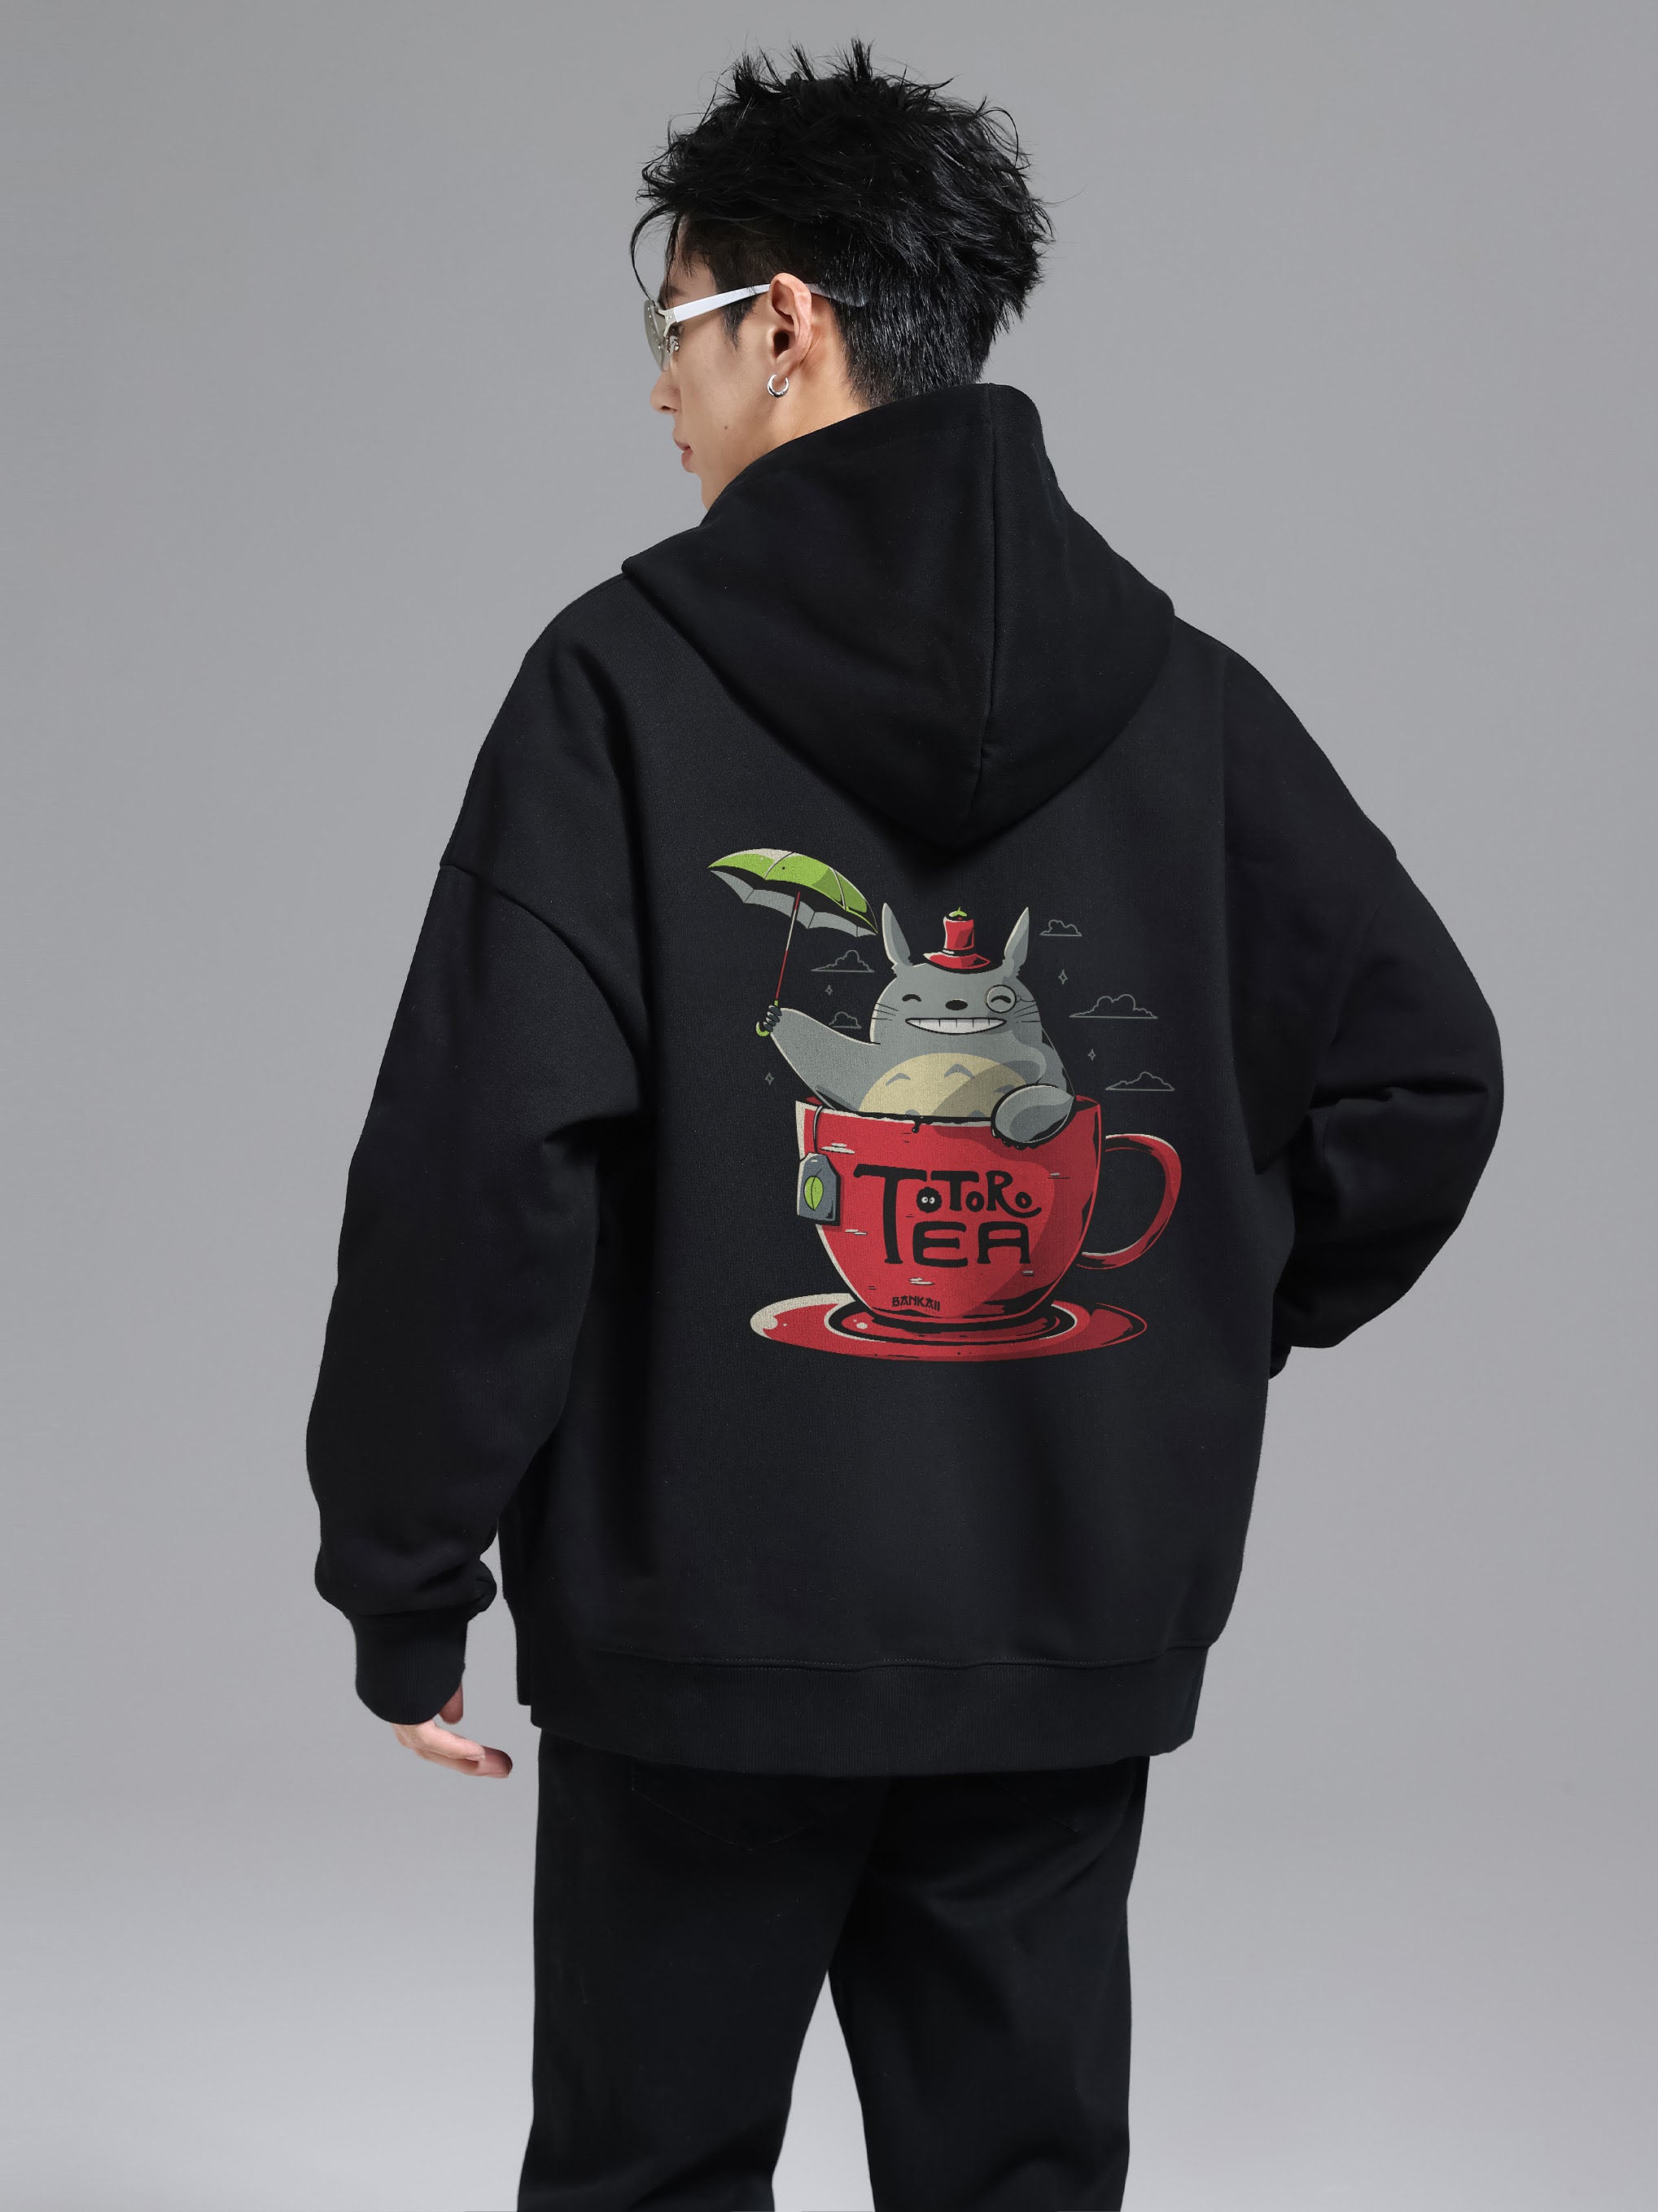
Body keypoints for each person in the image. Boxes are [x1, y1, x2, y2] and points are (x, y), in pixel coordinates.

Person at [306, 40, 1504, 2212]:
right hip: (1062, 1614)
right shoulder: (1189, 702)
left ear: (785, 323)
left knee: (648, 2176)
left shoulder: (615, 684)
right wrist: (1197, 1308)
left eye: (674, 328)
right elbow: (1428, 1078)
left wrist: (404, 1575)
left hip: (696, 1633)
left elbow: (485, 1169)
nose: (657, 392)